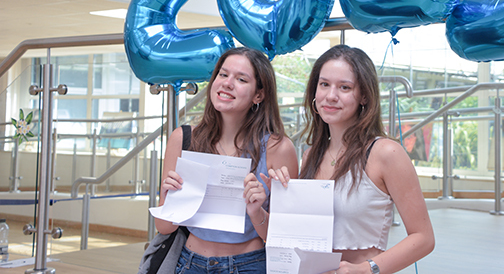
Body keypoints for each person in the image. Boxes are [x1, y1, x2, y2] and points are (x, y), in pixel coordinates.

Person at [272, 44, 434, 274]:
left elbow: (424, 238)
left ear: (364, 96)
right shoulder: (310, 156)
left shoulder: (386, 153)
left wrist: (367, 270)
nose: (331, 96)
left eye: (344, 87)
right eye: (324, 84)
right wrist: (273, 199)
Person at [157, 47, 299, 274]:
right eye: (223, 75)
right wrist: (169, 196)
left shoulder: (278, 148)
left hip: (249, 264)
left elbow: (286, 238)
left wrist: (257, 212)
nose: (227, 83)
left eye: (241, 79)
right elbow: (163, 227)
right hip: (189, 263)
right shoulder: (183, 139)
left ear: (259, 95)